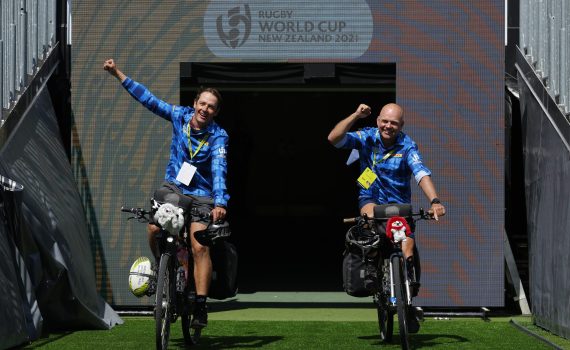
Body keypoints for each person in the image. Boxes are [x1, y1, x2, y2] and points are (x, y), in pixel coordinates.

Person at [104, 58, 229, 329]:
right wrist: (117, 74)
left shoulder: (218, 136)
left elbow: (219, 168)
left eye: (211, 106)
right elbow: (149, 100)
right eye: (202, 103)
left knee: (199, 245)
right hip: (174, 187)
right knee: (153, 228)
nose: (205, 109)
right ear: (195, 103)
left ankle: (200, 305)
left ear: (215, 112)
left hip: (203, 194)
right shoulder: (179, 116)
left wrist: (220, 202)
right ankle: (164, 270)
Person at [328, 103, 446, 328]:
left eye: (393, 123)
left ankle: (409, 300)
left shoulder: (408, 145)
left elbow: (421, 173)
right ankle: (372, 271)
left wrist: (435, 201)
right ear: (378, 121)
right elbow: (334, 138)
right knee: (369, 218)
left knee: (407, 248)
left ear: (401, 126)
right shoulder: (367, 137)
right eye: (385, 121)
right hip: (371, 199)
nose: (388, 126)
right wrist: (355, 115)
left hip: (399, 206)